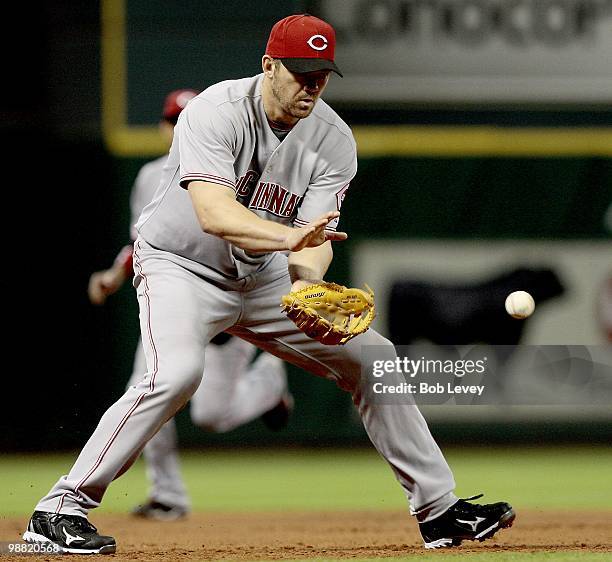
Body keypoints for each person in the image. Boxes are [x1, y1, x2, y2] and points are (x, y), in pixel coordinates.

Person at [24, 14, 514, 554]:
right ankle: (60, 509)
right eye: (302, 72)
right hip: (179, 266)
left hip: (262, 278)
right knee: (176, 373)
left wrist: (306, 285)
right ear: (269, 65)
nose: (313, 84)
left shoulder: (333, 140)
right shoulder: (214, 112)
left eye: (322, 73)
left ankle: (439, 511)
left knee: (375, 359)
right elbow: (214, 213)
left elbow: (318, 237)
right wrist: (293, 246)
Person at [88, 89, 292, 521]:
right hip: (177, 299)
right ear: (165, 128)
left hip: (228, 301)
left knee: (213, 417)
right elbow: (143, 240)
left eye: (187, 119)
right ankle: (168, 495)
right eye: (173, 120)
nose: (180, 128)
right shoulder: (148, 177)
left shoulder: (241, 170)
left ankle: (268, 385)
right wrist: (114, 273)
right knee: (145, 393)